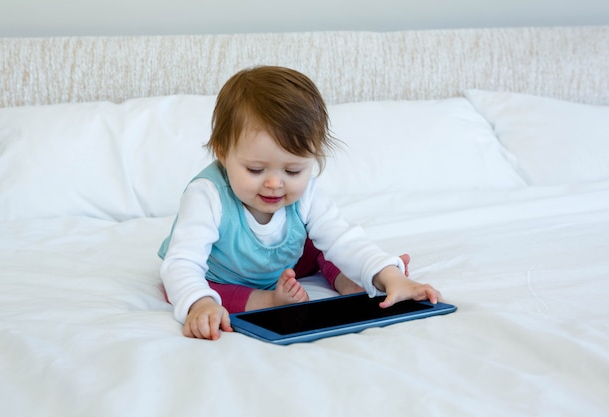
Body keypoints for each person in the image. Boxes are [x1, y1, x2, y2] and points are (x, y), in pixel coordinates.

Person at [159, 66, 441, 340]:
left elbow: (343, 238)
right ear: (222, 152)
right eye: (256, 170)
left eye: (293, 171)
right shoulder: (207, 195)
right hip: (223, 273)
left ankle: (351, 280)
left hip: (284, 261)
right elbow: (182, 263)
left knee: (323, 246)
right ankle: (268, 300)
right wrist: (200, 304)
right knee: (200, 289)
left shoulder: (306, 194)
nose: (274, 184)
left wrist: (390, 275)